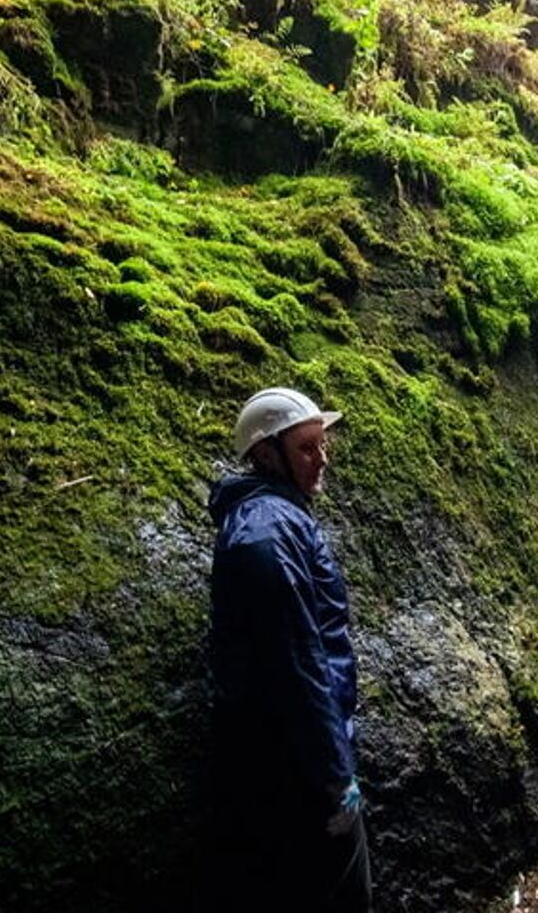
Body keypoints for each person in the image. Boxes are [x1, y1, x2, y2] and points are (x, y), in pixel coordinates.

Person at [209, 388, 371, 913]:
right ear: (264, 455)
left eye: (323, 446)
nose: (321, 459)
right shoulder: (266, 534)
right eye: (306, 448)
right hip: (296, 772)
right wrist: (333, 774)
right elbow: (295, 660)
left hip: (295, 759)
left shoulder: (277, 519)